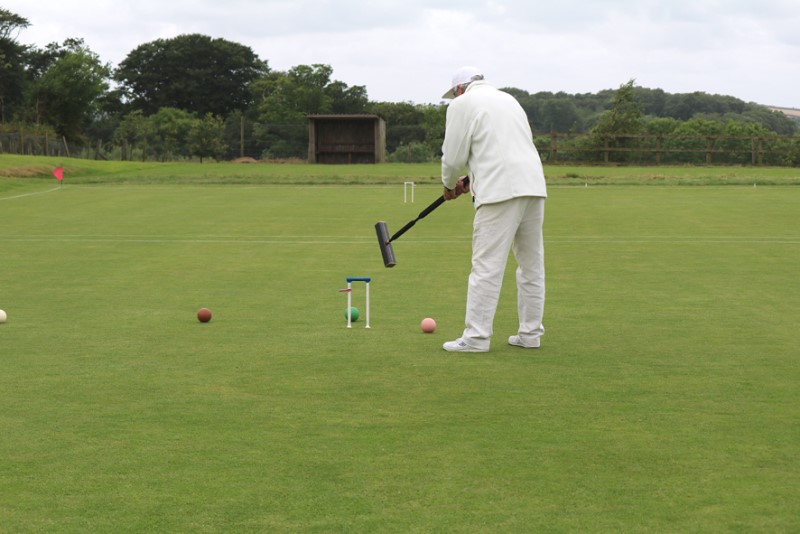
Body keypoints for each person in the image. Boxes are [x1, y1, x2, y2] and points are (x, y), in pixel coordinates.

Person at [440, 66, 547, 353]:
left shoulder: (462, 104)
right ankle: (530, 334)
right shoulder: (509, 99)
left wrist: (449, 185)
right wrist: (471, 178)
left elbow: (453, 156)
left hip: (501, 190)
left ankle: (475, 338)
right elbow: (498, 147)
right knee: (531, 264)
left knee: (486, 266)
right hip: (534, 186)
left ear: (460, 89)